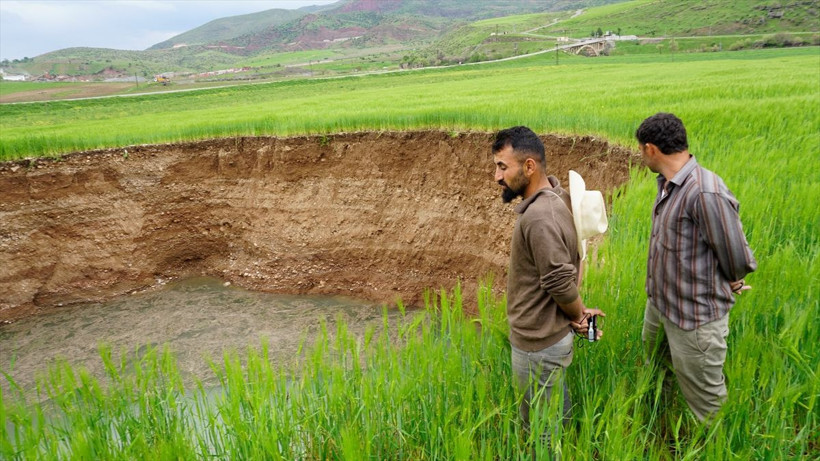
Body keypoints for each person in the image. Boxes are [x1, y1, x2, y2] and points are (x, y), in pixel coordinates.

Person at [636, 113, 757, 421]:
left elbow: (735, 253)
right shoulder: (667, 184)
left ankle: (715, 448)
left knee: (707, 404)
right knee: (657, 374)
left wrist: (733, 278)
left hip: (694, 319)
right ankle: (662, 427)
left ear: (651, 149)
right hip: (662, 306)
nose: (640, 156)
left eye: (640, 150)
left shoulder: (704, 191)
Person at [491, 126, 604, 450]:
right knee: (556, 416)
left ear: (529, 167)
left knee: (541, 432)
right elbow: (573, 261)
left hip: (538, 344)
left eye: (502, 166)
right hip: (552, 337)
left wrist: (578, 312)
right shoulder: (558, 197)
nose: (497, 176)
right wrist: (578, 314)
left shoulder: (538, 217)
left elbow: (557, 279)